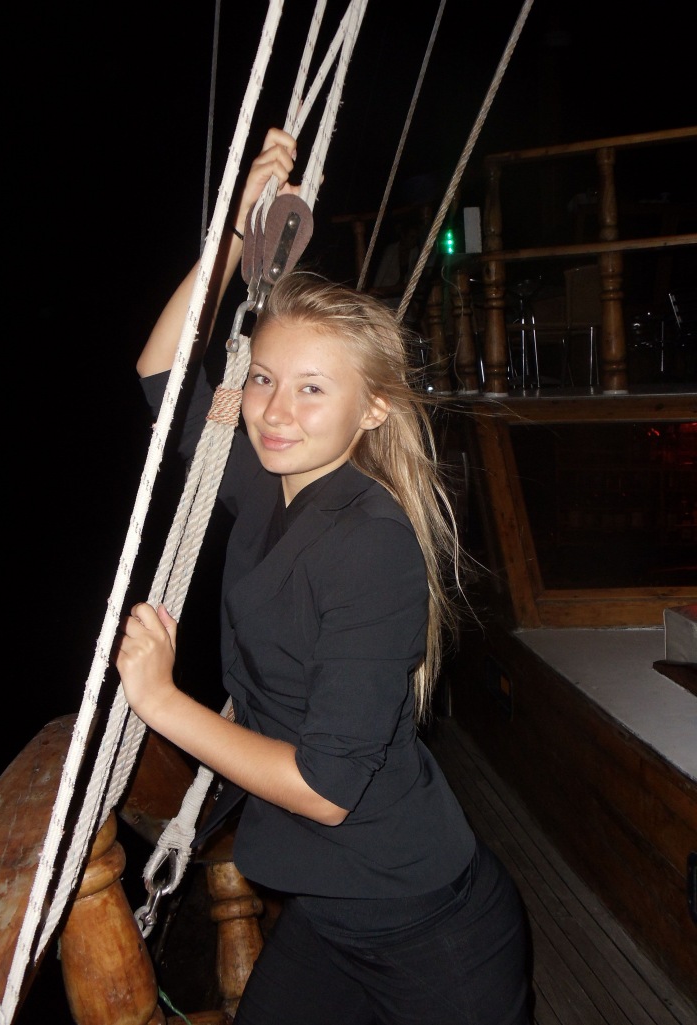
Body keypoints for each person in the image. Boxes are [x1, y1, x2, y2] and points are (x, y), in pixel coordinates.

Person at [114, 127, 530, 1025]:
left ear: (372, 408)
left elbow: (326, 789)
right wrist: (238, 230)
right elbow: (160, 376)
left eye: (312, 388)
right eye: (264, 380)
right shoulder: (271, 484)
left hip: (427, 928)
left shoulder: (371, 544)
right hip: (333, 912)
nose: (275, 411)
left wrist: (162, 702)